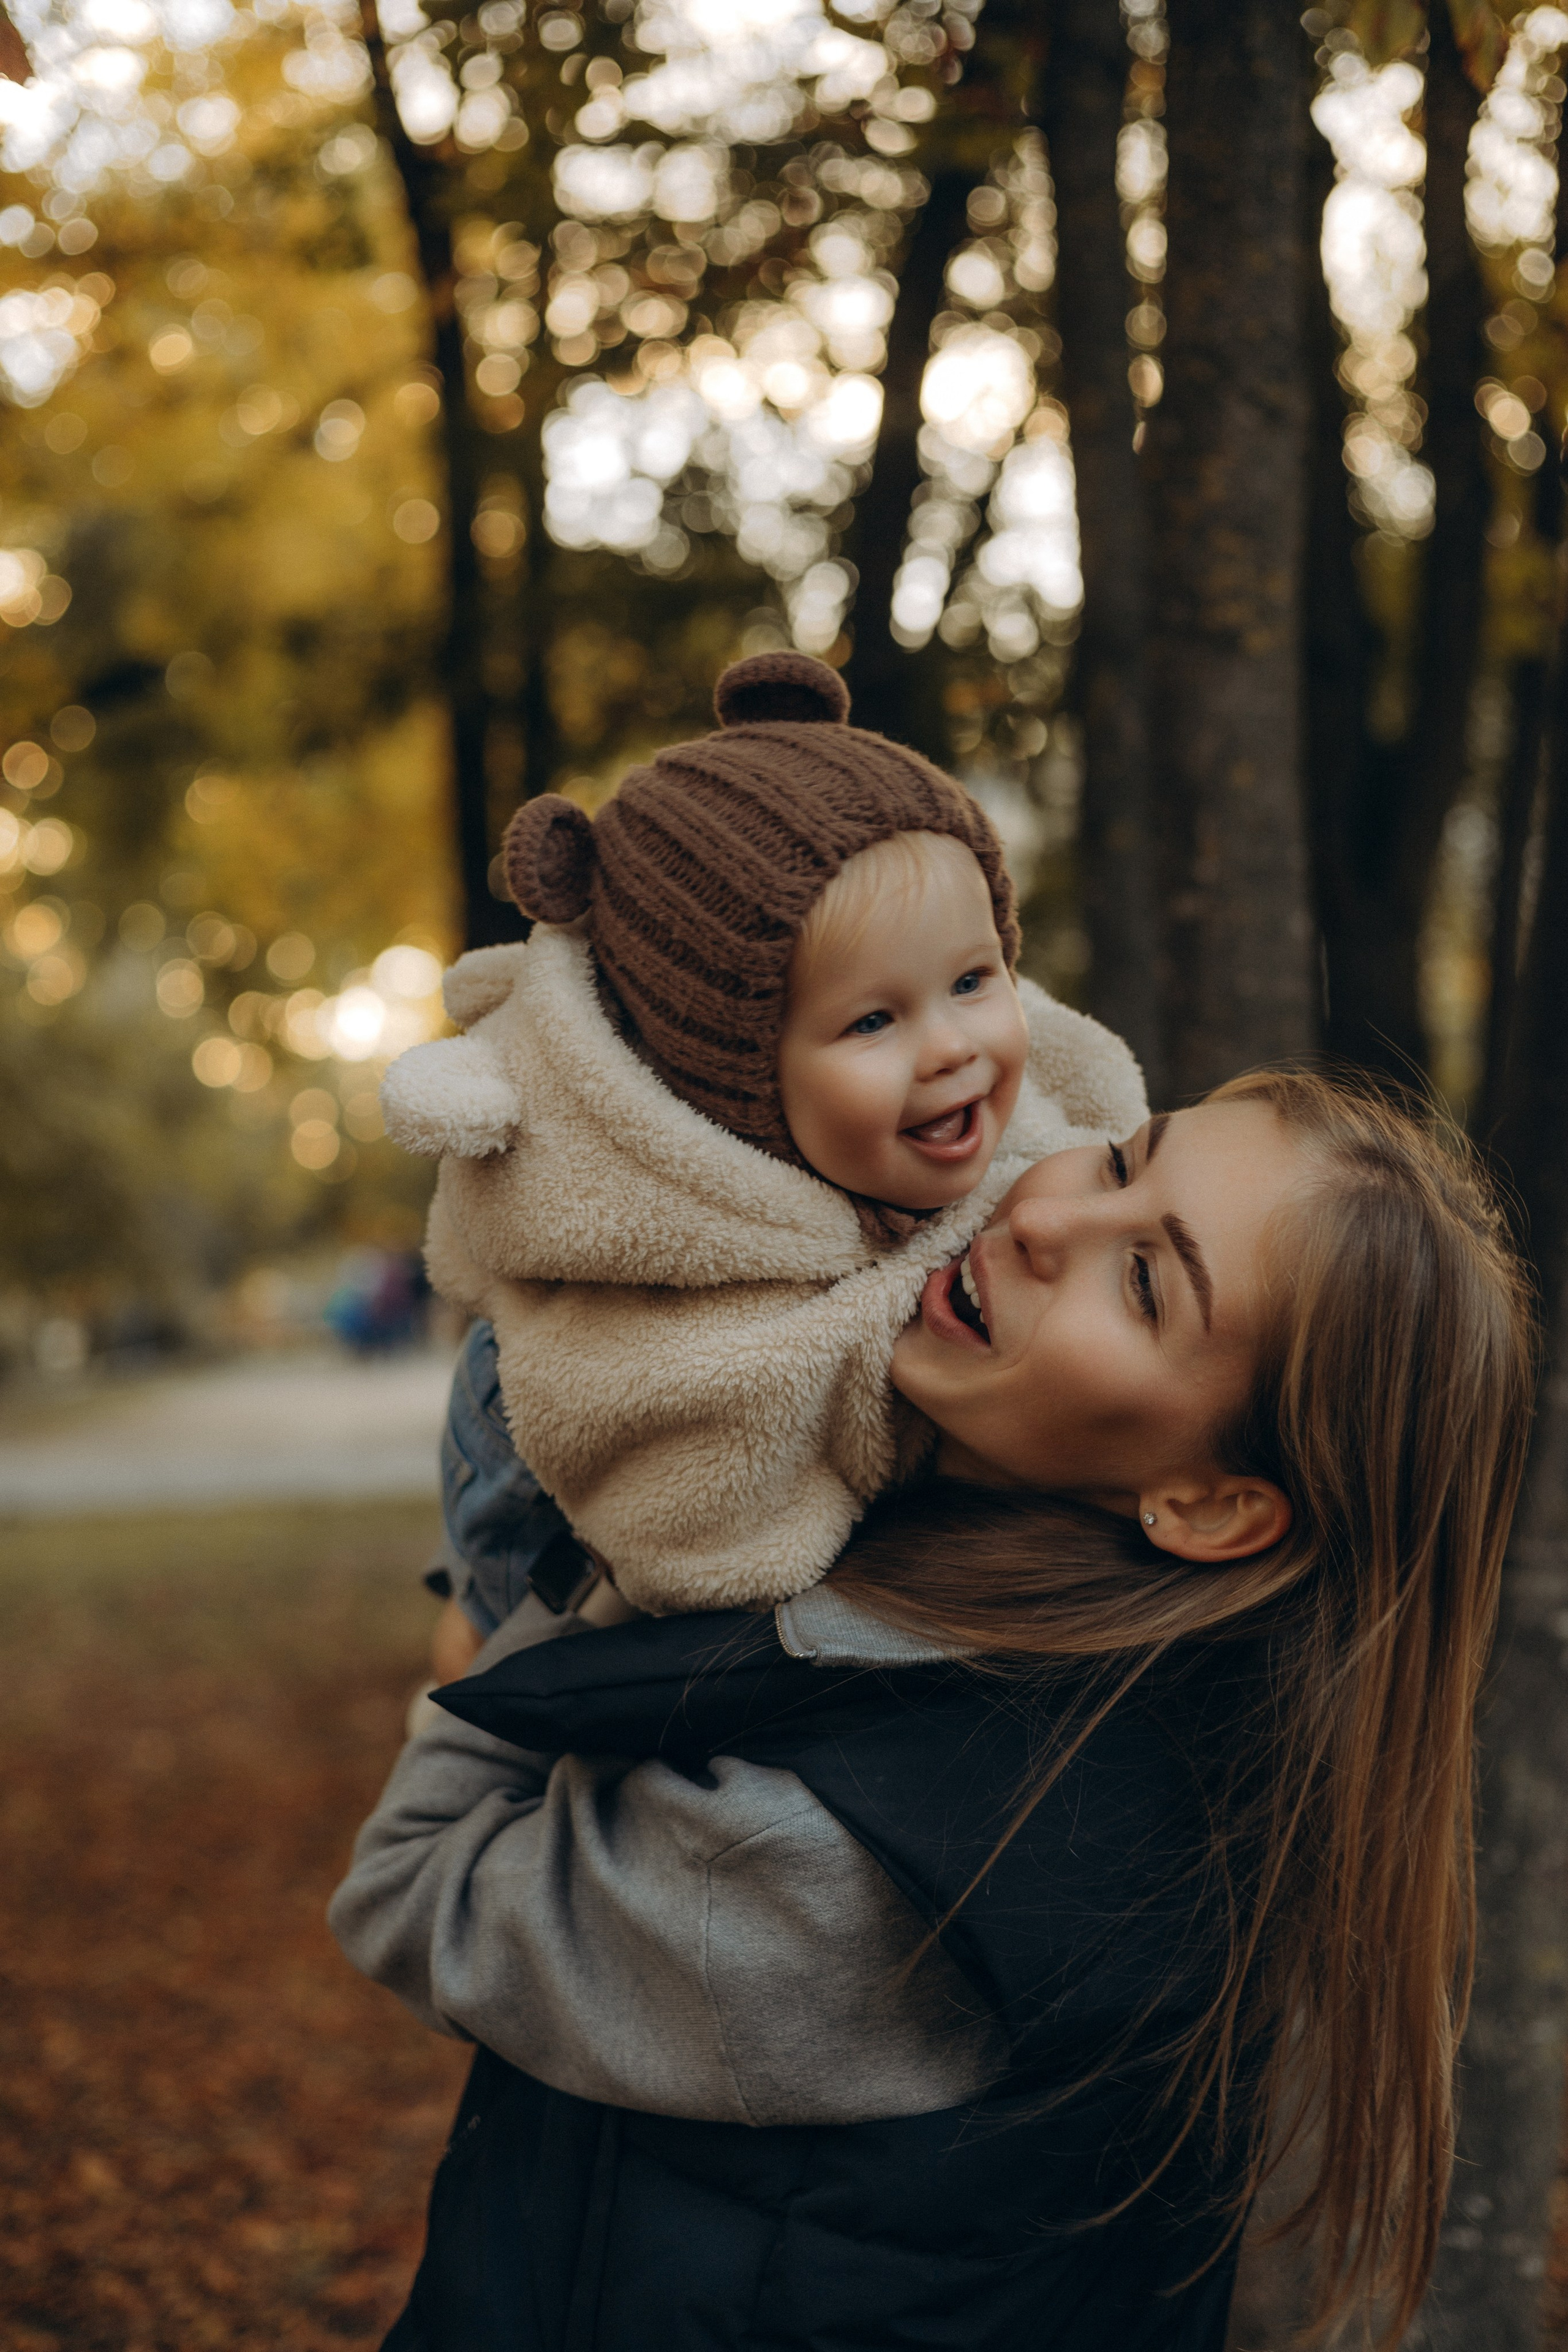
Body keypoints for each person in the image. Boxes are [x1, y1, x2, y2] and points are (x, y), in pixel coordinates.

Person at [331, 1071, 1534, 2351]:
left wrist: (531, 1583)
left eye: (1141, 1284)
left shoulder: (886, 1859)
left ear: (1209, 1504)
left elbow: (413, 1891)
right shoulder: (1148, 1672)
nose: (1040, 1219)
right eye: (1121, 1161)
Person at [379, 647, 1145, 1635]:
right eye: (872, 1024)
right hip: (538, 1510)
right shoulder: (648, 1263)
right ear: (735, 1075)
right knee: (477, 1654)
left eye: (973, 980)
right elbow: (691, 1535)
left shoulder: (1045, 1122)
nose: (952, 1047)